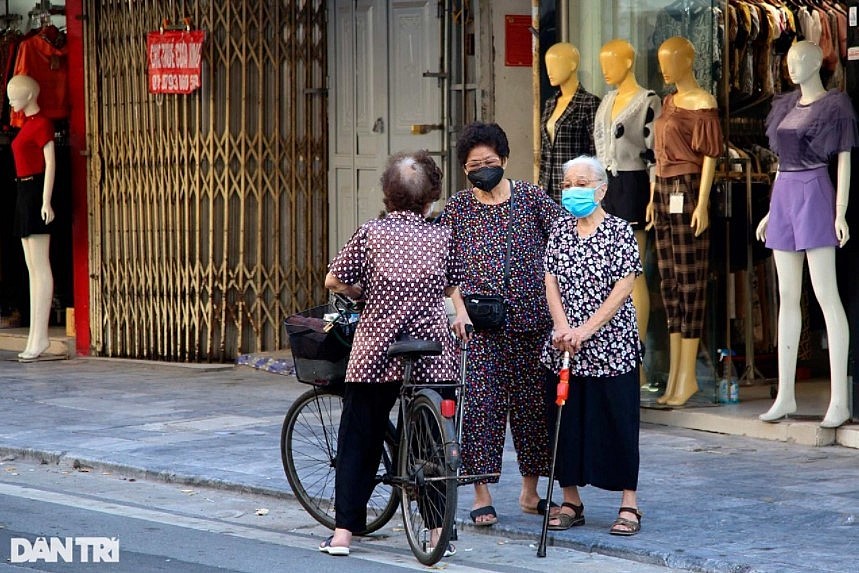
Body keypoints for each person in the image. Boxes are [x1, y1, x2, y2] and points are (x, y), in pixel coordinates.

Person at [319, 150, 461, 556]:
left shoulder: (371, 233)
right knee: (432, 439)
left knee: (359, 435)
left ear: (388, 194)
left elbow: (334, 279)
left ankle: (344, 532)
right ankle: (437, 533)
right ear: (430, 197)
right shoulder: (443, 235)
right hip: (432, 348)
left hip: (377, 348)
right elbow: (452, 287)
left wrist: (360, 292)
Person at [441, 122, 563, 526]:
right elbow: (445, 267)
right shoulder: (457, 209)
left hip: (533, 322)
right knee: (482, 410)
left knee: (533, 410)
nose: (483, 169)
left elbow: (564, 240)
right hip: (481, 326)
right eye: (474, 164)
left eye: (490, 162)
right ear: (464, 169)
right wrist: (458, 307)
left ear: (505, 161)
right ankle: (481, 493)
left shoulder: (530, 198)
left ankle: (530, 492)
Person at [755, 41, 857, 429]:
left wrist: (840, 212)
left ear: (817, 63)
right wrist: (770, 210)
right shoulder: (784, 106)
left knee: (826, 295)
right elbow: (782, 165)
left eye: (799, 60)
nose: (791, 67)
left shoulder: (835, 106)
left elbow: (844, 159)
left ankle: (840, 399)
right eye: (788, 61)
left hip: (815, 192)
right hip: (784, 196)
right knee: (787, 297)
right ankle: (785, 395)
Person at [542, 155, 643, 535]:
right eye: (567, 184)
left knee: (618, 422)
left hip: (611, 347)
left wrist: (586, 329)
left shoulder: (619, 231)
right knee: (566, 426)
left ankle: (629, 503)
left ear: (600, 189)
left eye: (581, 183)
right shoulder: (560, 230)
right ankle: (571, 500)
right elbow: (550, 280)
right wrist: (563, 325)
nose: (572, 190)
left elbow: (625, 286)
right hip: (564, 344)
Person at [646, 36, 722, 407]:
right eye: (661, 59)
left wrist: (703, 202)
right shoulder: (667, 101)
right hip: (662, 191)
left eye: (670, 59)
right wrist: (651, 197)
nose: (664, 66)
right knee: (670, 282)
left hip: (688, 189)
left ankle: (688, 376)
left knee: (691, 281)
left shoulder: (703, 103)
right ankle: (676, 376)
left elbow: (710, 155)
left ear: (688, 60)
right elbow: (658, 156)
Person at [593, 39, 661, 387]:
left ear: (629, 61)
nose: (605, 69)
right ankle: (613, 351)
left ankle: (638, 356)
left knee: (633, 273)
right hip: (606, 188)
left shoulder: (647, 102)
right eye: (602, 62)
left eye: (611, 62)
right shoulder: (606, 101)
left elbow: (654, 155)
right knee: (607, 274)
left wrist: (652, 196)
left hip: (634, 186)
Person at [7, 74, 56, 363]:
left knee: (40, 265)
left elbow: (51, 163)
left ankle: (41, 336)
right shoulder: (26, 124)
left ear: (29, 96)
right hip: (23, 190)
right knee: (31, 267)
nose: (11, 101)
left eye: (15, 95)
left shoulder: (42, 124)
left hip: (36, 190)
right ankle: (36, 336)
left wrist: (46, 200)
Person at [538, 42, 600, 202]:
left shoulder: (588, 102)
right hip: (548, 188)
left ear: (572, 65)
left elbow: (595, 151)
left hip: (576, 189)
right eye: (547, 66)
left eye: (555, 65)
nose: (549, 71)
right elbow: (545, 151)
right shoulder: (551, 103)